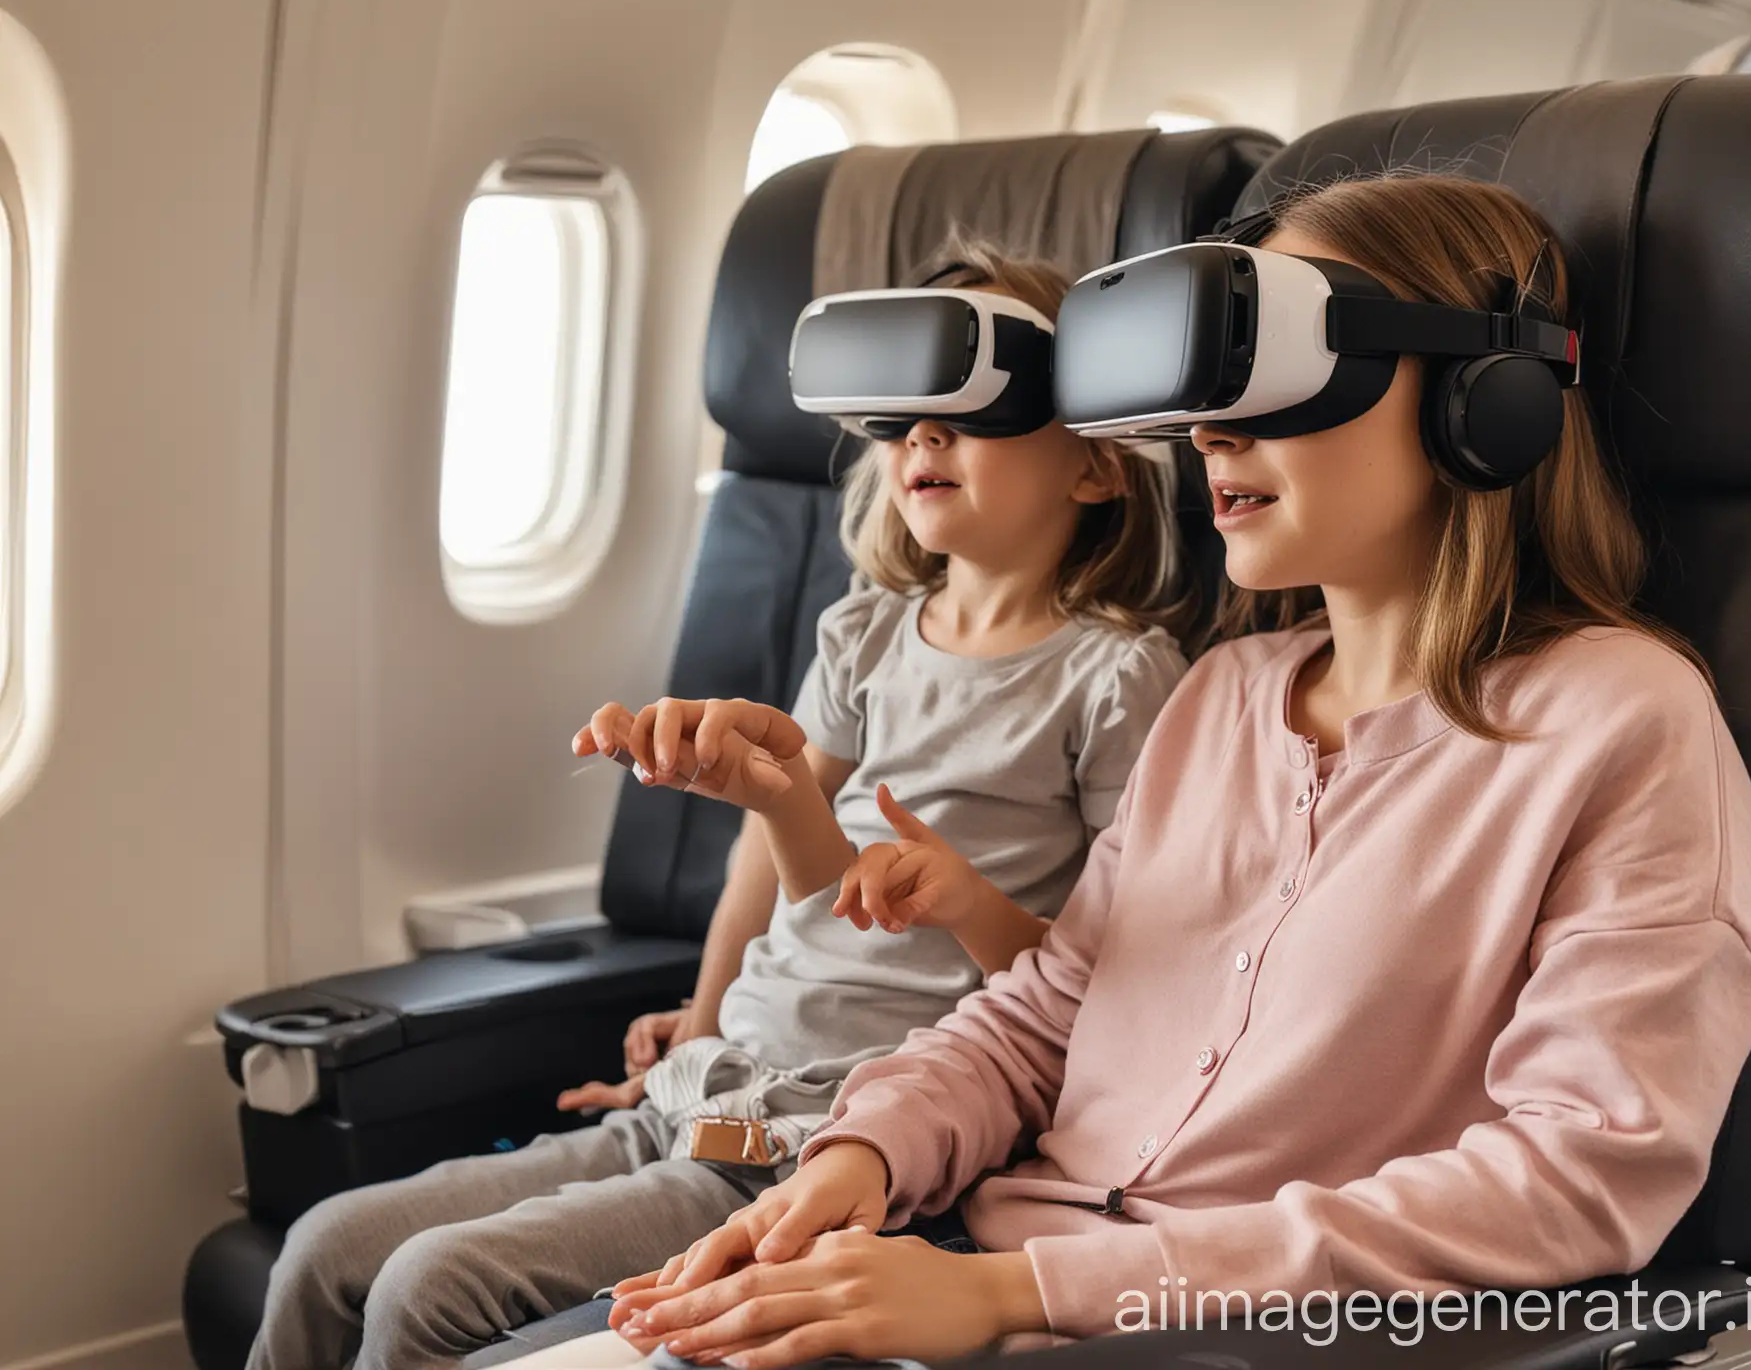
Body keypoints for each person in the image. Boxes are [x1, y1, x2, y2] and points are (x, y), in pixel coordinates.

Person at [607, 175, 1751, 1370]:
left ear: (1486, 403)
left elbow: (1576, 1177)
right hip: (975, 1263)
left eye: (1283, 381)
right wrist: (861, 1157)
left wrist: (1026, 1295)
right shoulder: (1220, 697)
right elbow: (1044, 1020)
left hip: (1229, 1337)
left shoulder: (1621, 722)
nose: (1214, 434)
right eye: (1212, 397)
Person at [243, 242, 1190, 1370]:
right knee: (322, 1247)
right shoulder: (867, 632)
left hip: (832, 1135)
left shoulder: (1116, 678)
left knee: (426, 1289)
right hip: (714, 1086)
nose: (923, 437)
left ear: (1096, 468)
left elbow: (1103, 991)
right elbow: (790, 871)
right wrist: (697, 1022)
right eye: (904, 413)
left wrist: (968, 899)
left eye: (975, 406)